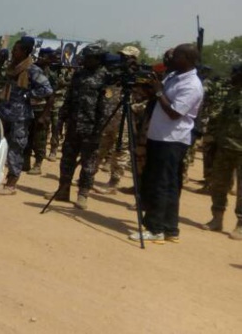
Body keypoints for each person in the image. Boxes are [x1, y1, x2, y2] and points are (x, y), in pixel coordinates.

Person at [130, 44, 204, 244]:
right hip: (160, 137)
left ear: (187, 59)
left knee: (160, 184)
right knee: (169, 185)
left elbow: (174, 113)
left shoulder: (192, 85)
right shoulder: (174, 76)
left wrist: (158, 92)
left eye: (175, 55)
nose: (170, 58)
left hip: (171, 140)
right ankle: (170, 228)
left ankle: (155, 229)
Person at [43, 45, 112, 209]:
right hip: (73, 125)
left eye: (89, 57)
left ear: (97, 59)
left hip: (91, 128)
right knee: (67, 159)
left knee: (88, 163)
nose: (85, 60)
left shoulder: (106, 78)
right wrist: (61, 120)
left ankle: (83, 194)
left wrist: (99, 130)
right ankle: (62, 190)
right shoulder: (79, 74)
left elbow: (107, 108)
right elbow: (69, 99)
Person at [0, 37, 53, 195]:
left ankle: (12, 183)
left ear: (26, 52)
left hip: (19, 116)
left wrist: (28, 96)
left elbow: (47, 90)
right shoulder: (11, 67)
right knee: (2, 145)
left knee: (16, 147)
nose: (14, 51)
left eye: (17, 49)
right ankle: (0, 177)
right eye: (14, 48)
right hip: (4, 111)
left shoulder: (32, 69)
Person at [201, 64, 242, 240]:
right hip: (224, 146)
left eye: (235, 74)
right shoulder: (231, 93)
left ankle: (240, 225)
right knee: (219, 184)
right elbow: (219, 117)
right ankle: (217, 218)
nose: (231, 77)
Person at [94, 46, 140, 194]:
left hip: (125, 118)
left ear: (134, 58)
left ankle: (113, 182)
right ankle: (89, 174)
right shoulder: (116, 72)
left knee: (121, 150)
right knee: (100, 146)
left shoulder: (139, 77)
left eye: (126, 57)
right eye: (121, 56)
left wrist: (134, 108)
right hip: (109, 115)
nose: (123, 59)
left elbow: (148, 99)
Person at [23, 47, 56, 176]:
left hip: (41, 109)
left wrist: (45, 114)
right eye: (50, 57)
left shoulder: (51, 73)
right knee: (26, 136)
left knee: (40, 138)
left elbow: (51, 95)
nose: (53, 60)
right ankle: (25, 162)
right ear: (43, 56)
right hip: (27, 107)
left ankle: (38, 163)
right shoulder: (31, 69)